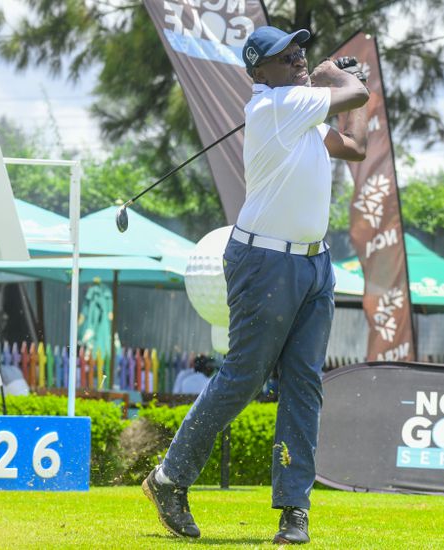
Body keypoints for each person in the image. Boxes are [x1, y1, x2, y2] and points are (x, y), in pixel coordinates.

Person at [142, 26, 369, 545]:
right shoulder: (274, 107)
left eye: (300, 53)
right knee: (243, 379)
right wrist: (344, 76)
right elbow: (352, 94)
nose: (299, 60)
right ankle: (170, 479)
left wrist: (346, 86)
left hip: (315, 265)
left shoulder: (300, 109)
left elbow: (354, 146)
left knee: (304, 384)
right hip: (263, 262)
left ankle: (294, 510)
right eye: (285, 57)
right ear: (258, 73)